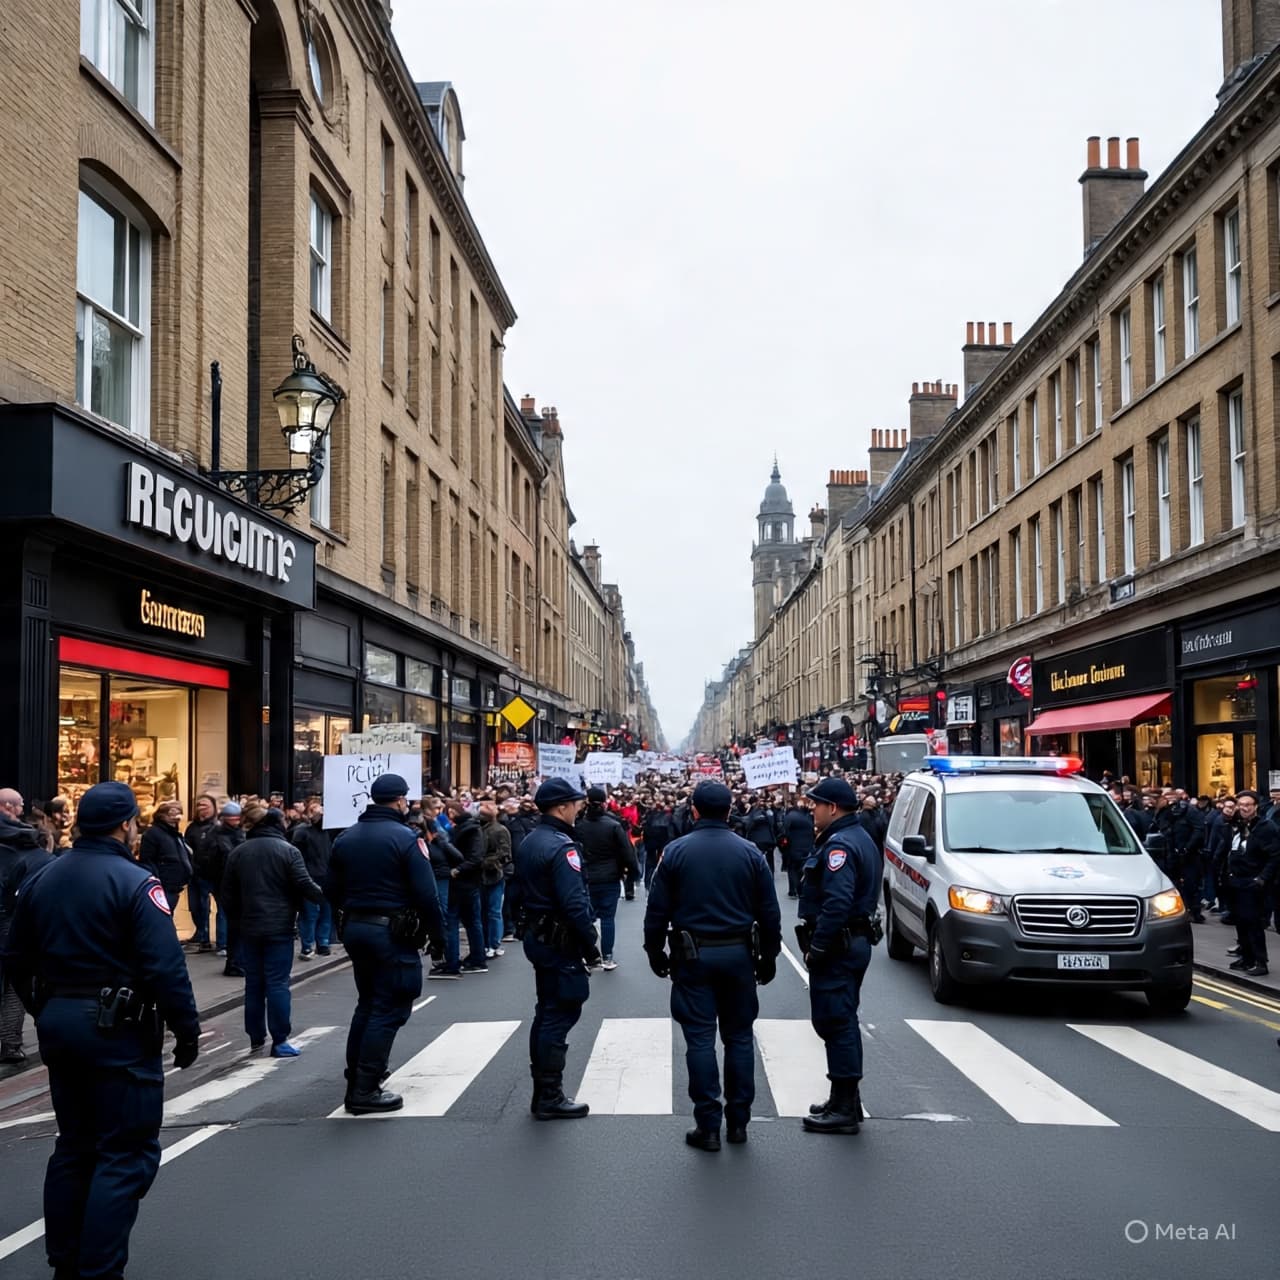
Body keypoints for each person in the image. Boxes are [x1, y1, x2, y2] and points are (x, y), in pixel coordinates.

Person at [0, 781, 200, 1280]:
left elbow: (15, 957)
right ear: (126, 824)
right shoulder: (136, 882)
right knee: (124, 1153)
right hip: (119, 1030)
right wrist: (186, 1029)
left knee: (75, 1145)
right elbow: (165, 966)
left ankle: (65, 1260)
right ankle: (100, 1269)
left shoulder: (44, 876)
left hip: (61, 1021)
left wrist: (45, 1008)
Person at [643, 780, 781, 1151]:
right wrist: (769, 956)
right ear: (730, 810)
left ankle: (707, 1126)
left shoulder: (675, 852)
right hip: (738, 955)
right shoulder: (750, 853)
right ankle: (738, 1122)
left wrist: (654, 951)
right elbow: (769, 912)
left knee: (700, 1040)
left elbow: (657, 910)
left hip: (692, 957)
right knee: (739, 1038)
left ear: (694, 811)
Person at [326, 774, 445, 1114]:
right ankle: (365, 1089)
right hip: (392, 932)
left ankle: (358, 1076)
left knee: (368, 1003)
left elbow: (331, 889)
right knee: (390, 1006)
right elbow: (427, 895)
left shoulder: (346, 837)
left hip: (356, 927)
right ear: (399, 800)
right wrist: (439, 938)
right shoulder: (406, 838)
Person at [510, 777, 601, 1120]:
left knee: (546, 1011)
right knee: (560, 1012)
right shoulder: (563, 847)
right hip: (560, 939)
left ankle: (544, 1091)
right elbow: (574, 903)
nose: (579, 809)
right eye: (576, 804)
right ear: (562, 807)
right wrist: (590, 945)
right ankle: (549, 1094)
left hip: (539, 935)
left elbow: (516, 891)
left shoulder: (532, 839)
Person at [798, 776, 882, 1135]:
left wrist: (818, 946)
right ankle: (843, 1099)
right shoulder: (857, 836)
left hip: (839, 945)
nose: (811, 810)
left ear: (832, 808)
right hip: (852, 941)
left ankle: (845, 1107)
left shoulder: (840, 846)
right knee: (842, 1018)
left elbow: (837, 902)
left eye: (815, 804)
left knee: (836, 1020)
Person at [221, 804, 323, 1056]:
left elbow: (228, 894)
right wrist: (330, 897)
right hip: (280, 925)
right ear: (277, 824)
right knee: (277, 983)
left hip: (249, 927)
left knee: (254, 983)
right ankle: (280, 1039)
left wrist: (236, 921)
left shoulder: (238, 852)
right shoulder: (288, 851)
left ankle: (256, 1037)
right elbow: (304, 884)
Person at [0, 789, 53, 1064]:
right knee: (15, 982)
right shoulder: (34, 851)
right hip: (17, 923)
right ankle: (10, 1043)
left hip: (11, 919)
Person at [577, 786, 637, 970]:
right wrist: (632, 874)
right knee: (608, 918)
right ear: (604, 802)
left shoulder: (579, 826)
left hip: (586, 877)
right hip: (610, 876)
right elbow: (627, 852)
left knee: (586, 917)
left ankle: (588, 953)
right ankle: (607, 957)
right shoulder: (613, 825)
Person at [1226, 791, 1280, 978]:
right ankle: (1246, 958)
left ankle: (1260, 962)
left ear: (1256, 806)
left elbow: (1275, 856)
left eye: (1248, 805)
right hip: (1236, 881)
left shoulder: (1266, 827)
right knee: (1240, 922)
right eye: (1241, 805)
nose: (1244, 808)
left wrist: (1262, 878)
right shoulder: (1239, 825)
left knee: (1253, 923)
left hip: (1253, 882)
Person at [435, 799, 488, 976]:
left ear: (451, 813)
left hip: (462, 882)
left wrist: (457, 870)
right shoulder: (469, 828)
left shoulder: (468, 830)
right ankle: (477, 959)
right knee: (472, 922)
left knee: (453, 921)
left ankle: (453, 962)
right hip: (470, 882)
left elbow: (475, 858)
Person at [203, 802, 245, 974]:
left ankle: (230, 953)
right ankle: (225, 947)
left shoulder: (232, 833)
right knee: (227, 915)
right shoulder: (220, 835)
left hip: (228, 880)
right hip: (224, 881)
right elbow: (214, 859)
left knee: (230, 917)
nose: (236, 822)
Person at [292, 799, 335, 958]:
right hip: (309, 877)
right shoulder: (302, 831)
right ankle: (307, 945)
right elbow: (296, 854)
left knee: (325, 912)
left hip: (325, 876)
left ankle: (323, 943)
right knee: (310, 914)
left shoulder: (328, 830)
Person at [137, 800, 193, 915]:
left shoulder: (174, 834)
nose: (177, 816)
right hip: (163, 888)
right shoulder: (153, 833)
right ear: (162, 815)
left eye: (179, 812)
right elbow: (147, 861)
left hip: (175, 887)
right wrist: (158, 882)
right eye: (172, 812)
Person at [183, 794, 219, 952]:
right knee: (195, 906)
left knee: (208, 906)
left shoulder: (217, 827)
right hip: (194, 872)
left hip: (213, 873)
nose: (201, 809)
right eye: (199, 805)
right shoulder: (192, 828)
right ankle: (200, 933)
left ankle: (209, 938)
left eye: (205, 805)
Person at [478, 800, 512, 959]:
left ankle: (493, 943)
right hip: (484, 874)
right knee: (489, 911)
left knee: (493, 910)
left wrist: (489, 861)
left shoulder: (499, 830)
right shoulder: (481, 829)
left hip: (494, 874)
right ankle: (489, 943)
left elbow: (505, 853)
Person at [778, 795, 815, 899]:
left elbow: (784, 832)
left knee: (792, 869)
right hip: (807, 847)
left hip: (793, 847)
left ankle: (793, 890)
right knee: (801, 869)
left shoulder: (790, 817)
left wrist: (783, 846)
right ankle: (801, 890)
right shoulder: (807, 817)